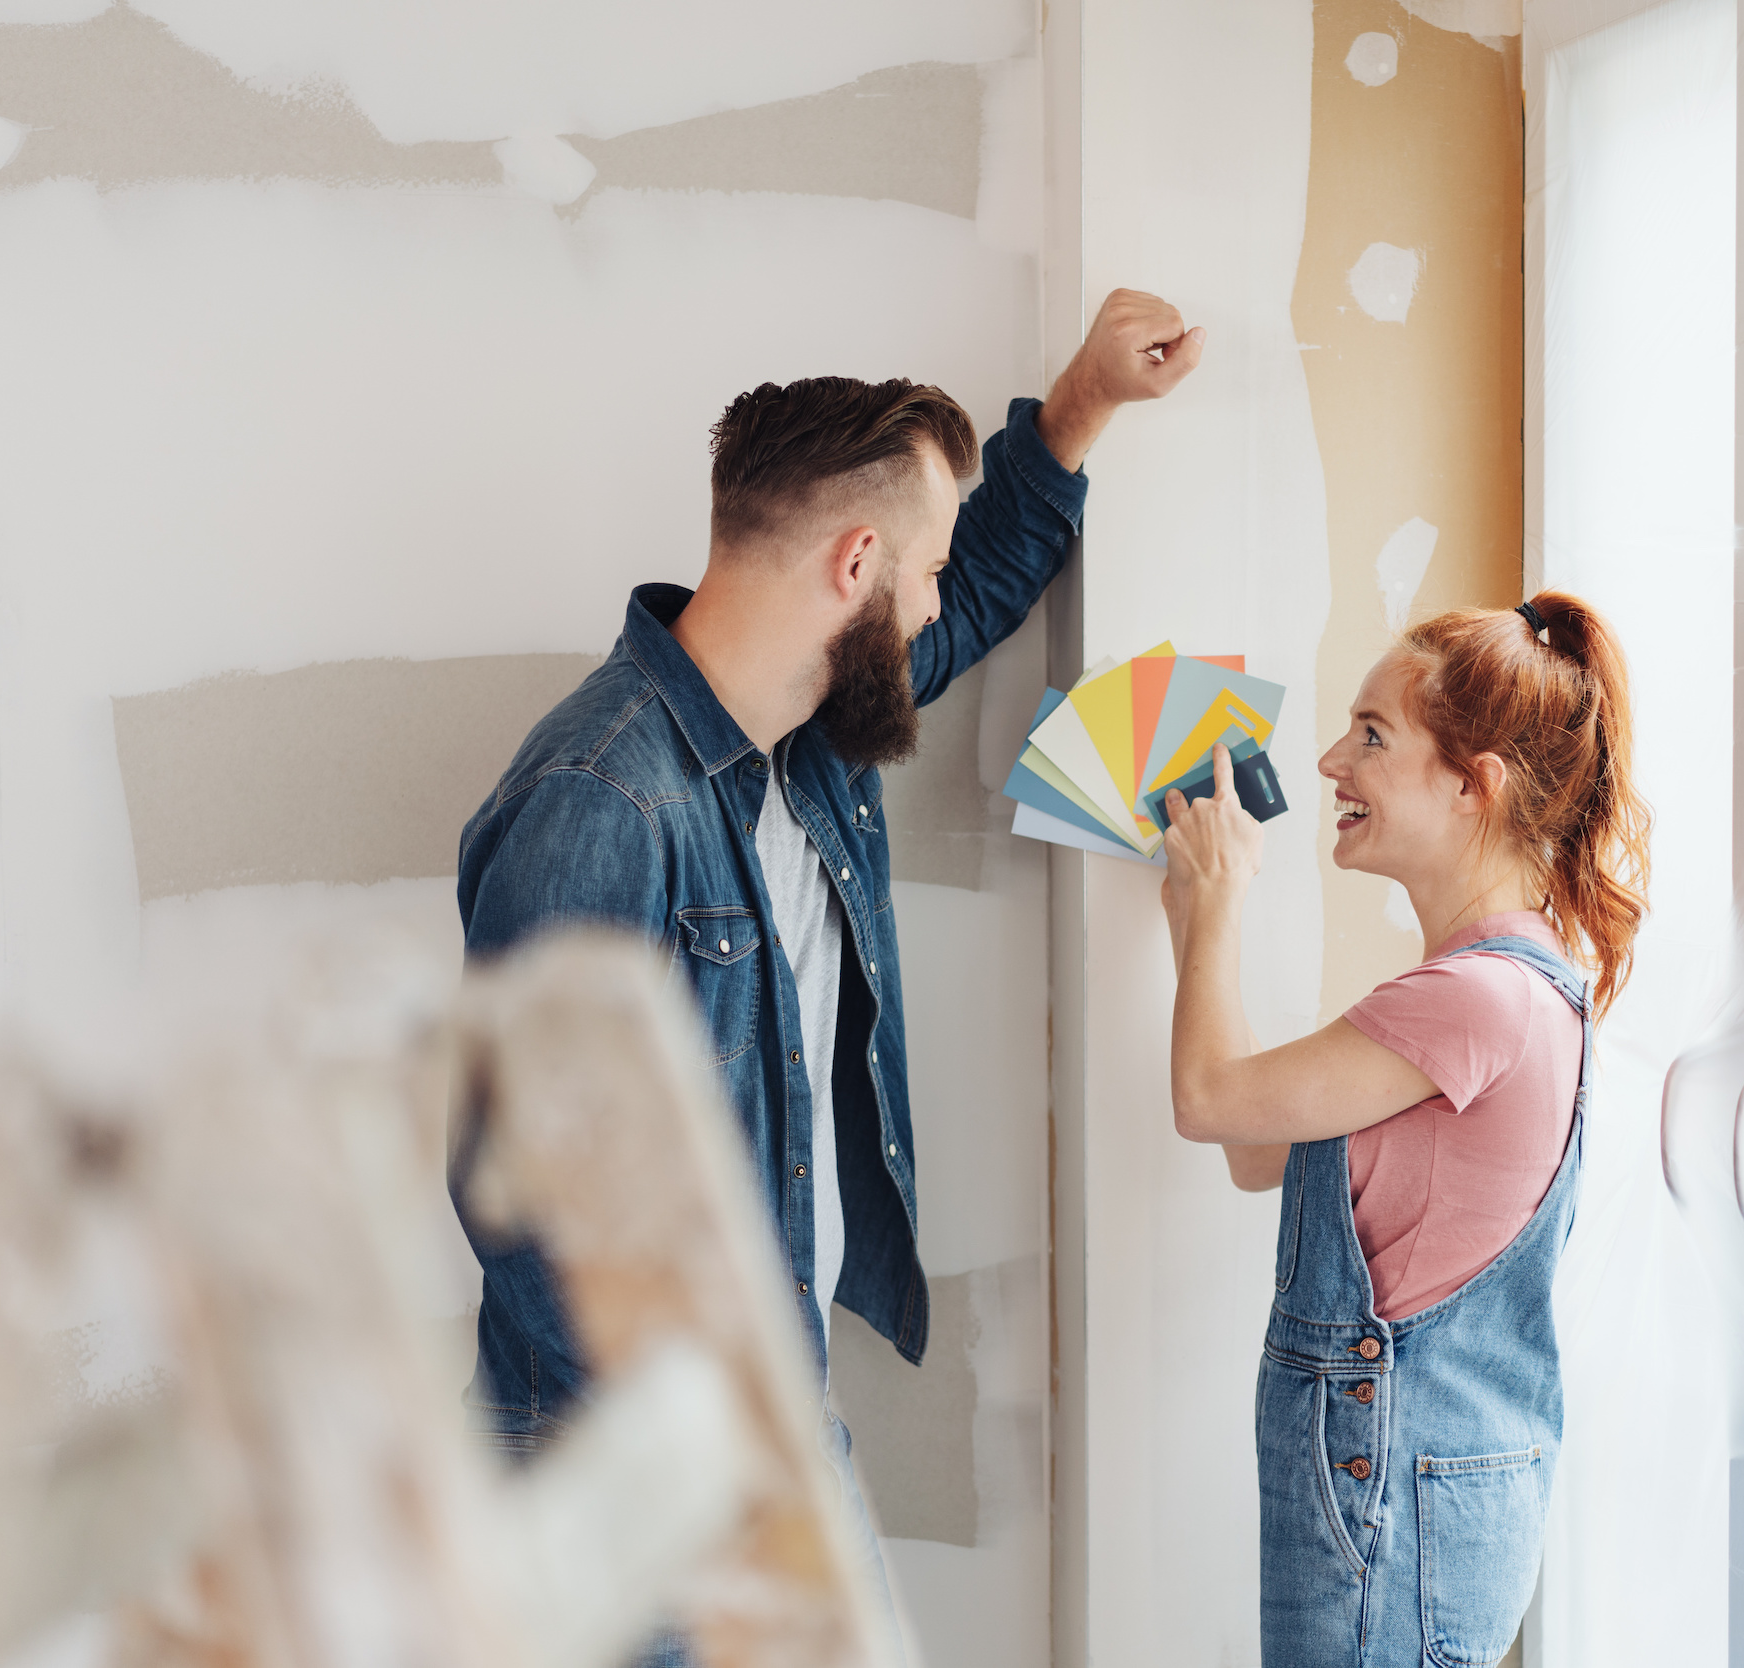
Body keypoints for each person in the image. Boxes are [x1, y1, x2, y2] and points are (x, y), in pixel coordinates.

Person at [449, 290, 1205, 1642]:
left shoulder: (804, 734)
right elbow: (528, 1205)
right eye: (913, 577)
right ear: (854, 566)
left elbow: (967, 600)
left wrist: (1081, 406)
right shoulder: (600, 805)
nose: (930, 612)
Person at [1156, 594, 1650, 1665]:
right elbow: (1253, 1152)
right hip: (1411, 1491)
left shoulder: (1471, 1001)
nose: (1333, 759)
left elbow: (1204, 1101)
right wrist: (1195, 917)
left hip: (1389, 1491)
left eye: (1373, 736)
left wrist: (1226, 903)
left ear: (1473, 786)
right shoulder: (1501, 989)